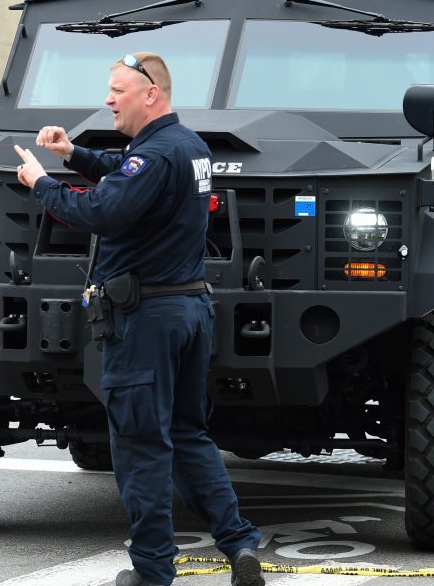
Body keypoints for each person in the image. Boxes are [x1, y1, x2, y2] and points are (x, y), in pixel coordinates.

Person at [14, 53, 264, 586]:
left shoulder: (152, 156)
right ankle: (239, 543)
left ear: (150, 95)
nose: (108, 100)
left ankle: (152, 571)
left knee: (140, 442)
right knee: (188, 434)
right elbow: (129, 177)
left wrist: (40, 182)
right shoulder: (187, 146)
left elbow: (101, 211)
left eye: (117, 91)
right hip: (190, 309)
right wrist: (73, 153)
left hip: (146, 317)